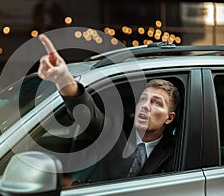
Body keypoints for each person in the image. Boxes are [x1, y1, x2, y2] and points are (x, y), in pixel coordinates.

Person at [38, 34, 181, 184]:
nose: (145, 106)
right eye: (143, 99)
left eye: (156, 103)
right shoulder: (115, 132)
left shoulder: (177, 150)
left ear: (169, 117)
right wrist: (63, 79)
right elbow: (87, 115)